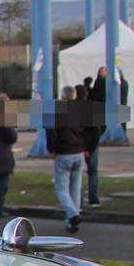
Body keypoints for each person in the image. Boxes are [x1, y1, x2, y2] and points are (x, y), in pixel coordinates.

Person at [49, 85, 89, 233]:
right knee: (76, 188)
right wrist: (87, 146)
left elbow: (51, 132)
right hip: (79, 152)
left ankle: (72, 215)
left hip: (63, 153)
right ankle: (71, 220)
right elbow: (92, 130)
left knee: (62, 188)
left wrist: (52, 149)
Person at [82, 75, 104, 206]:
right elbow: (97, 130)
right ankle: (93, 198)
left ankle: (78, 201)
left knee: (76, 174)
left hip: (78, 146)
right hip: (90, 145)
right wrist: (91, 148)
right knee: (93, 171)